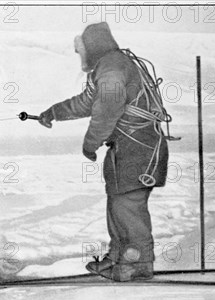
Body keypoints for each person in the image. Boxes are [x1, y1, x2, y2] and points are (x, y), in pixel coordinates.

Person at [38, 22, 169, 281]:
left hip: (138, 151)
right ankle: (117, 258)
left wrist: (90, 142)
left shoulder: (112, 68)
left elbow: (107, 108)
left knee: (128, 207)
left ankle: (138, 263)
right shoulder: (110, 66)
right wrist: (55, 112)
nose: (79, 56)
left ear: (92, 48)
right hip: (129, 149)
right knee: (117, 205)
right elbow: (88, 101)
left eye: (81, 50)